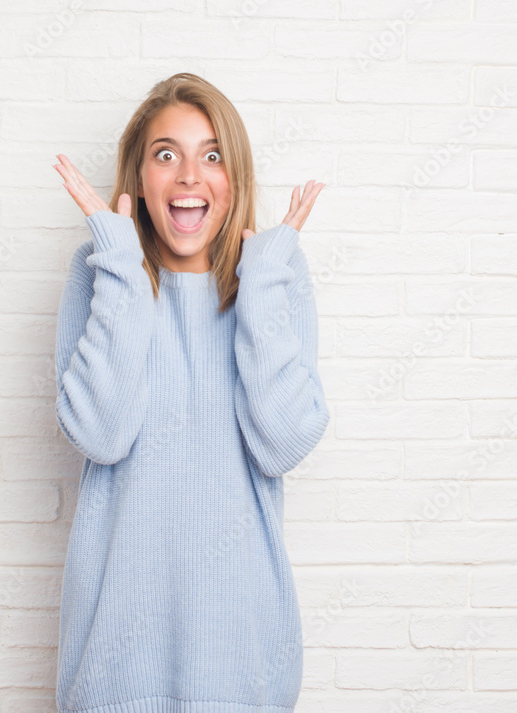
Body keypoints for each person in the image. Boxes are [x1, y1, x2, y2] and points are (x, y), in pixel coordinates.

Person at [51, 72, 329, 713]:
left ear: (236, 177)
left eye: (212, 156)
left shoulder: (275, 278)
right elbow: (101, 435)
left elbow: (282, 443)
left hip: (240, 664)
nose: (188, 177)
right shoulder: (100, 274)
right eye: (165, 154)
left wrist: (261, 284)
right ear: (138, 175)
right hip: (115, 664)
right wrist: (120, 265)